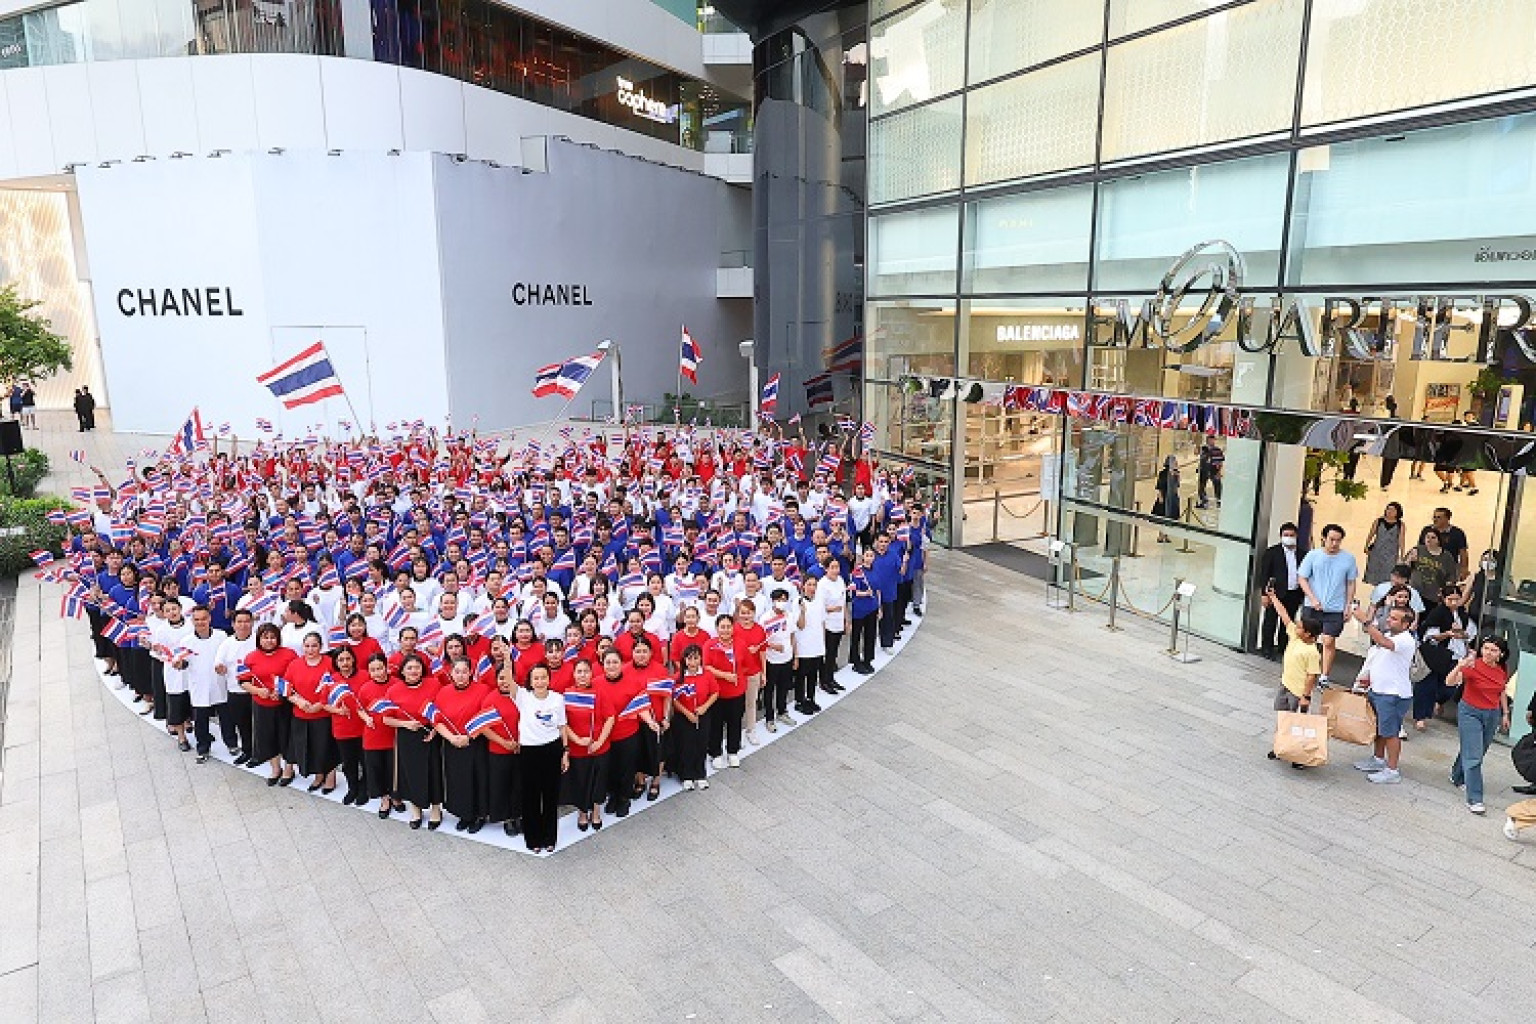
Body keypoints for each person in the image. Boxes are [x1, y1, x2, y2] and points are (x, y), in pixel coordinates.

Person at [1350, 603, 1417, 785]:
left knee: (1391, 732)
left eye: (1394, 619)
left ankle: (1392, 769)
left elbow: (1384, 643)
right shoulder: (1389, 635)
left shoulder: (1405, 640)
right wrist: (1368, 678)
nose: (1388, 620)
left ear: (1405, 624)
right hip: (1379, 689)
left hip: (1393, 694)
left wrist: (1366, 621)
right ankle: (1378, 759)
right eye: (1389, 616)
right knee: (1380, 729)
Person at [1446, 638, 1511, 815]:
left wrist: (1505, 713)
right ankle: (1475, 798)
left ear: (1501, 654)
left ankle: (1457, 775)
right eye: (1486, 648)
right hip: (1470, 712)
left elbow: (1501, 690)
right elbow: (1449, 682)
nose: (1488, 653)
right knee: (1474, 755)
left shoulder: (1502, 669)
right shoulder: (1473, 665)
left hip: (1492, 713)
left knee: (1477, 749)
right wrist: (1459, 666)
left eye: (1493, 650)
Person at [1261, 588, 1321, 769]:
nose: (1297, 627)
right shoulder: (1295, 636)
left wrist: (1306, 696)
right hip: (1285, 685)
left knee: (1297, 724)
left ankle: (1298, 756)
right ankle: (1280, 747)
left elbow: (1311, 676)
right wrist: (1273, 597)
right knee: (1283, 719)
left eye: (1301, 627)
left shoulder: (1312, 652)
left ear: (1309, 634)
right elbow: (1284, 615)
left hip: (1297, 692)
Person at [383, 653, 444, 830]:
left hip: (430, 734)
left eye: (417, 667)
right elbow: (386, 719)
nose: (413, 671)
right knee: (411, 774)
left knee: (433, 772)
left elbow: (441, 711)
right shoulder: (394, 690)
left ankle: (435, 809)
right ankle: (416, 809)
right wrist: (405, 724)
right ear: (402, 671)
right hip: (407, 736)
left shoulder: (434, 685)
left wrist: (435, 730)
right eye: (409, 668)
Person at [1296, 524, 1358, 686]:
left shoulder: (1348, 559)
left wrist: (1348, 605)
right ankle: (1304, 669)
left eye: (1338, 540)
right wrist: (1312, 598)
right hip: (1312, 605)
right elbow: (1302, 578)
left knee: (1328, 640)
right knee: (1307, 638)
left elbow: (1351, 583)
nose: (1334, 543)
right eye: (1331, 539)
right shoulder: (1313, 555)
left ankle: (1324, 676)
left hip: (1335, 607)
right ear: (1324, 538)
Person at [516, 663, 567, 854]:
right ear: (530, 681)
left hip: (552, 749)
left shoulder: (558, 699)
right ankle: (533, 839)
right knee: (530, 797)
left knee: (550, 796)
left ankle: (549, 837)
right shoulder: (523, 696)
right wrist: (506, 657)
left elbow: (562, 726)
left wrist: (565, 751)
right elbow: (508, 678)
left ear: (549, 679)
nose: (539, 681)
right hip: (529, 751)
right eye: (535, 678)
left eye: (543, 677)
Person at [435, 657, 490, 833]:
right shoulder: (443, 692)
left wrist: (469, 737)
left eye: (464, 672)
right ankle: (464, 814)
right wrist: (451, 737)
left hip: (475, 742)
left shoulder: (483, 690)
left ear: (471, 672)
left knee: (477, 778)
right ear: (451, 673)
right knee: (457, 779)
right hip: (452, 742)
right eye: (457, 672)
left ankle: (479, 815)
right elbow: (437, 720)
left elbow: (486, 717)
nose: (460, 675)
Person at [1413, 584, 1475, 731]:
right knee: (1427, 685)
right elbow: (1430, 636)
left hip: (1456, 653)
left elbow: (1470, 634)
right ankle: (1420, 717)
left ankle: (1439, 701)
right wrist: (1447, 634)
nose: (1454, 603)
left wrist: (1461, 633)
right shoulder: (1437, 613)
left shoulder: (1463, 614)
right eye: (1450, 599)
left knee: (1451, 685)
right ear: (1444, 599)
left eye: (1457, 599)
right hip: (1435, 654)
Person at [563, 658, 615, 832]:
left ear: (591, 673)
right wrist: (577, 739)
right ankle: (583, 812)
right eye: (579, 672)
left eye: (586, 671)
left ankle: (596, 811)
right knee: (580, 782)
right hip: (578, 750)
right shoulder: (567, 695)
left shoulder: (599, 692)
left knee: (598, 782)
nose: (583, 675)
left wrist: (599, 741)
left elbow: (610, 718)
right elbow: (563, 724)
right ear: (574, 674)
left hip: (599, 748)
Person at [244, 623, 297, 786]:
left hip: (284, 704)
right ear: (259, 639)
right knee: (267, 737)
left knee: (287, 736)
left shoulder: (289, 654)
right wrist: (257, 691)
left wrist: (282, 692)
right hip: (262, 705)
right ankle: (275, 768)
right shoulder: (251, 657)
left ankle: (288, 769)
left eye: (273, 637)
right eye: (265, 637)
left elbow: (295, 678)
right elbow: (243, 681)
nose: (269, 641)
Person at [476, 662, 522, 836]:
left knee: (519, 785)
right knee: (502, 785)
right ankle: (507, 818)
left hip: (521, 749)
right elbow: (484, 727)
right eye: (501, 678)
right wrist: (503, 742)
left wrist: (521, 742)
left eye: (508, 677)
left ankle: (519, 815)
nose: (505, 681)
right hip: (499, 751)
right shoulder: (490, 699)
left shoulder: (522, 696)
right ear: (496, 680)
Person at [178, 606, 229, 764]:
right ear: (192, 621)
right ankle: (203, 748)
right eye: (197, 619)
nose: (200, 622)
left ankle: (231, 743)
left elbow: (227, 657)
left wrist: (224, 668)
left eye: (204, 619)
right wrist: (179, 664)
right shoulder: (186, 641)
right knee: (200, 720)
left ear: (210, 619)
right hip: (199, 685)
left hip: (219, 683)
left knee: (226, 718)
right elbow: (184, 662)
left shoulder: (221, 636)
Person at [357, 653, 398, 819]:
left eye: (380, 668)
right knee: (376, 768)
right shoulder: (365, 688)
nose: (377, 673)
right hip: (374, 735)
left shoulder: (396, 684)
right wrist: (366, 718)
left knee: (393, 768)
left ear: (386, 667)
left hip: (393, 734)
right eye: (373, 670)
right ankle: (384, 798)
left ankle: (395, 796)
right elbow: (360, 709)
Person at [1256, 523, 1303, 660]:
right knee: (1270, 621)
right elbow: (1264, 574)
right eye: (1286, 535)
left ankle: (1283, 647)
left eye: (1291, 535)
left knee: (1288, 622)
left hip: (1294, 593)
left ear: (1296, 536)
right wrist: (1264, 594)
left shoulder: (1302, 554)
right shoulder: (1272, 552)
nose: (1289, 538)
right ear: (1281, 536)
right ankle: (1267, 648)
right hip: (1275, 594)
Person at [670, 644, 713, 790]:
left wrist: (704, 707)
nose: (692, 662)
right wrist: (687, 713)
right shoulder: (678, 677)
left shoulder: (707, 674)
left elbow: (714, 693)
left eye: (696, 658)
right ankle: (686, 775)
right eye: (689, 658)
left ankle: (700, 774)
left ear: (701, 659)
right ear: (684, 660)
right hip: (684, 717)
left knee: (701, 744)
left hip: (702, 715)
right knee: (686, 746)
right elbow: (674, 699)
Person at [705, 614, 744, 769]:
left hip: (736, 691)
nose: (726, 630)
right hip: (717, 694)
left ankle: (733, 751)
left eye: (729, 627)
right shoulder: (710, 645)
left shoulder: (740, 644)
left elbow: (746, 664)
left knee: (735, 722)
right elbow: (706, 667)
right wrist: (724, 675)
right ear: (717, 628)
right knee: (716, 724)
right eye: (722, 627)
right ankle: (715, 753)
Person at [1404, 526, 1459, 612]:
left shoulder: (1447, 557)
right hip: (1415, 591)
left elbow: (1451, 576)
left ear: (1438, 540)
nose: (1429, 540)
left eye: (1433, 537)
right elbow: (1404, 568)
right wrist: (1409, 560)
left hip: (1433, 595)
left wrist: (1445, 592)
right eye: (1427, 537)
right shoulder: (1418, 549)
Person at [1362, 502, 1405, 586]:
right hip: (1377, 552)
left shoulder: (1400, 525)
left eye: (1393, 510)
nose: (1390, 511)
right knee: (1374, 575)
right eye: (1388, 509)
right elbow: (1371, 534)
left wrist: (1402, 555)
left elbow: (1401, 540)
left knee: (1387, 576)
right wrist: (1366, 545)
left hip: (1391, 554)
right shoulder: (1378, 521)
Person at [1430, 507, 1470, 579]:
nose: (1435, 520)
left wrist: (1464, 569)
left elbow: (1463, 552)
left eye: (1438, 517)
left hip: (1450, 568)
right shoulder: (1427, 530)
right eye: (1434, 517)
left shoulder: (1457, 533)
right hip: (1430, 565)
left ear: (1447, 519)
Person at [1153, 455, 1180, 542]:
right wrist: (1160, 497)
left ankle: (1166, 535)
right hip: (1164, 496)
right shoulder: (1163, 473)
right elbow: (1159, 486)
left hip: (1172, 497)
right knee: (1163, 516)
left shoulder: (1176, 474)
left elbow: (1177, 486)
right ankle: (1161, 535)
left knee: (1170, 517)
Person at [1196, 439, 1224, 509]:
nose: (1211, 441)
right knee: (1201, 486)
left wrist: (1219, 471)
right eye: (1209, 440)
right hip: (1204, 470)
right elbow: (1197, 454)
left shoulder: (1217, 450)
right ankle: (1204, 501)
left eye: (1212, 439)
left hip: (1214, 470)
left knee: (1217, 486)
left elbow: (1220, 462)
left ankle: (1219, 501)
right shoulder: (1203, 449)